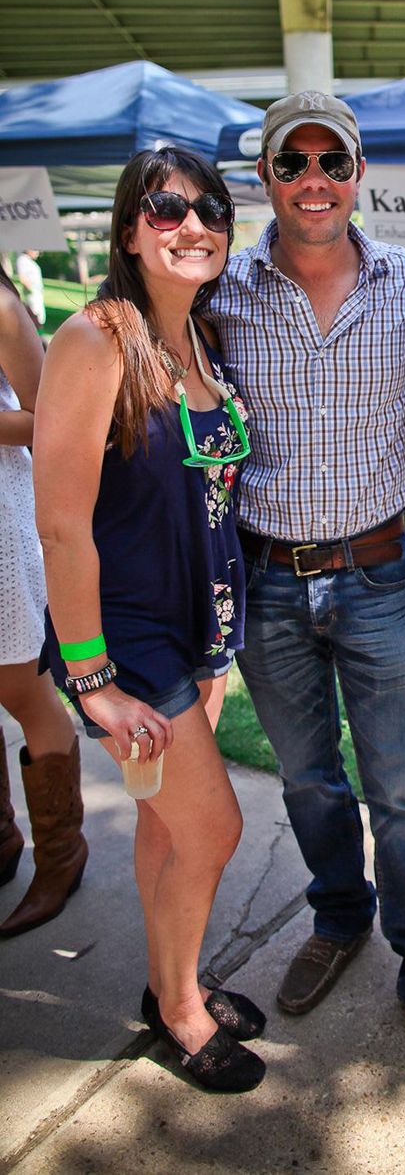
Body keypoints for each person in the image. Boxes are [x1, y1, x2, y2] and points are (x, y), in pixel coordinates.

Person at [203, 91, 405, 1100]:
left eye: (332, 160)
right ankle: (336, 916)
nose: (313, 179)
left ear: (357, 172)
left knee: (400, 787)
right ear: (265, 178)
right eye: (294, 163)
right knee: (306, 778)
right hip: (267, 580)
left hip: (374, 573)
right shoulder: (221, 293)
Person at [32, 146, 266, 1094]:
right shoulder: (95, 339)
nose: (192, 224)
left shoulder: (202, 339)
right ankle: (179, 1011)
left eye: (209, 208)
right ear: (131, 226)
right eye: (166, 207)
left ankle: (174, 978)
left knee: (169, 829)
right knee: (214, 832)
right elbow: (60, 525)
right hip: (129, 643)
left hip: (200, 632)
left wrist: (218, 650)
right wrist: (94, 683)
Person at [0, 263, 85, 939]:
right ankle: (1, 839)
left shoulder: (0, 305)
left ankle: (60, 855)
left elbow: (44, 421)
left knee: (23, 693)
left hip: (2, 524)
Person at [15, 251, 45, 330]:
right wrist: (32, 290)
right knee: (34, 316)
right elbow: (22, 277)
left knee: (40, 318)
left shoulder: (31, 262)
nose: (37, 252)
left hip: (37, 293)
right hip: (31, 294)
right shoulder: (22, 260)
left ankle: (38, 338)